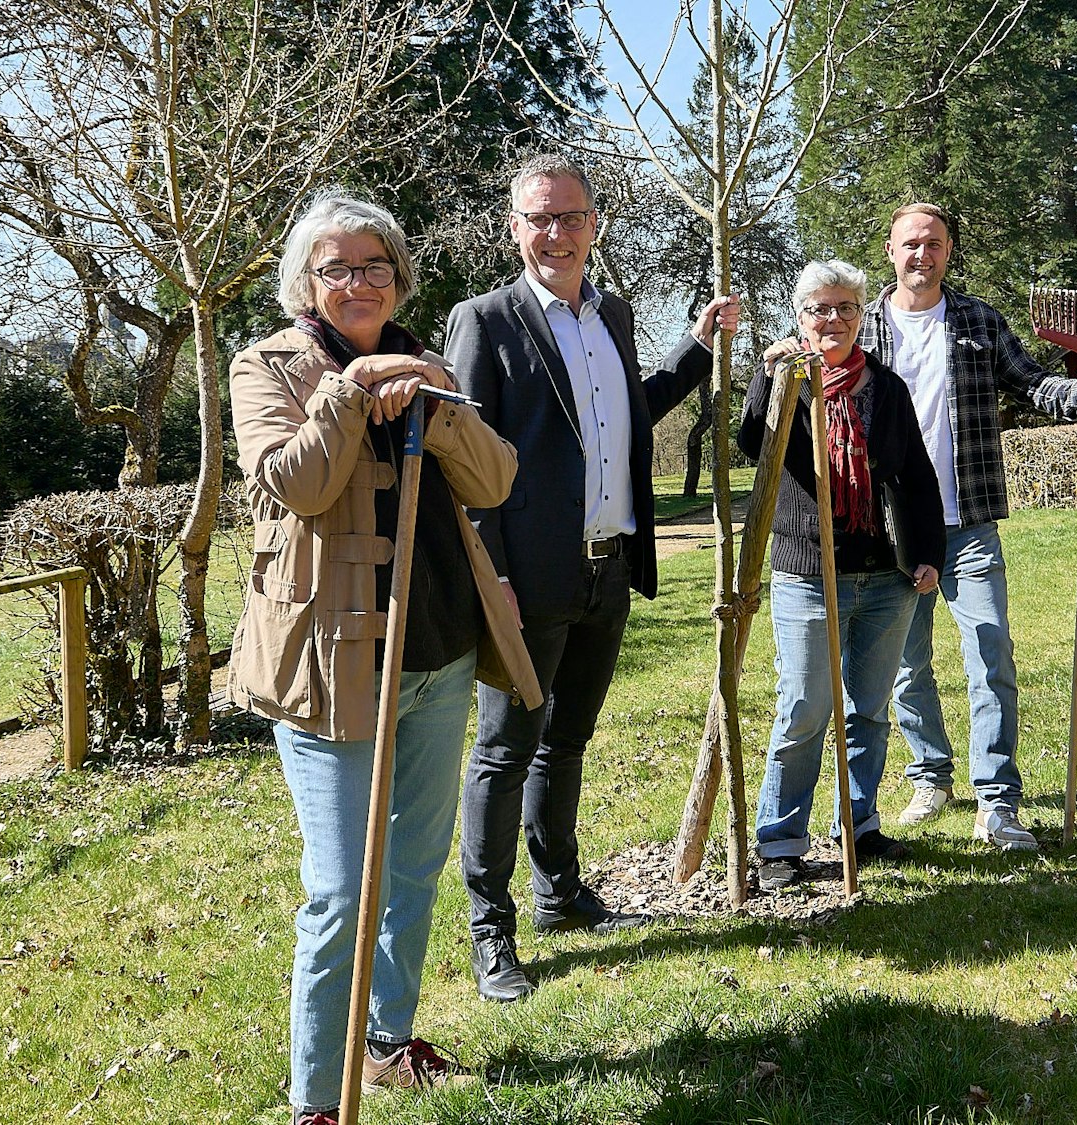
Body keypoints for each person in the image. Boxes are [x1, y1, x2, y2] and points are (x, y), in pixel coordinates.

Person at [229, 191, 542, 1125]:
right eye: (336, 267)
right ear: (305, 283)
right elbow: (295, 483)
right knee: (337, 891)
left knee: (411, 865)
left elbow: (496, 478)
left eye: (373, 266)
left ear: (398, 276)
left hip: (437, 655)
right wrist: (353, 390)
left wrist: (432, 404)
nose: (357, 282)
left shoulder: (428, 362)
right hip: (333, 665)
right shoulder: (266, 365)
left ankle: (388, 1039)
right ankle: (316, 1100)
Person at [446, 154, 739, 1002]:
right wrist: (491, 577)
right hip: (525, 581)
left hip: (608, 569)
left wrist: (697, 346)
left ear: (594, 225)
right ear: (514, 227)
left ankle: (559, 893)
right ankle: (488, 928)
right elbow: (466, 464)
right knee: (506, 749)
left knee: (564, 740)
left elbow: (625, 409)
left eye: (570, 217)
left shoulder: (612, 312)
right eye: (539, 218)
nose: (556, 233)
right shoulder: (484, 321)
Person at [855, 202, 1077, 853]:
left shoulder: (976, 321)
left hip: (967, 525)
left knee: (990, 656)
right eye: (911, 243)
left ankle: (997, 801)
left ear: (948, 251)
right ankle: (931, 776)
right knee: (905, 667)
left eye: (935, 243)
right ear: (891, 250)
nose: (923, 253)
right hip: (892, 532)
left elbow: (1030, 383)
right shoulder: (863, 331)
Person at [743, 259, 944, 892]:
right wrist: (766, 379)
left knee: (869, 709)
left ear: (862, 316)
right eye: (819, 309)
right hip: (808, 571)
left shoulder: (885, 387)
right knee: (805, 705)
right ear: (800, 317)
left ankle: (856, 825)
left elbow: (914, 475)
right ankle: (779, 841)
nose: (833, 320)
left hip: (884, 576)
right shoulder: (788, 381)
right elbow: (754, 442)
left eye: (846, 309)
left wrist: (927, 554)